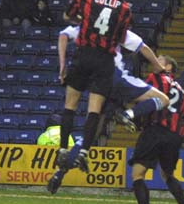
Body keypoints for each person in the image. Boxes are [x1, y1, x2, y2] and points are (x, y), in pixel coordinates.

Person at [48, 25, 166, 194]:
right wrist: (157, 66)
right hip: (114, 78)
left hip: (97, 82)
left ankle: (60, 173)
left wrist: (62, 65)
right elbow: (143, 47)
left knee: (89, 137)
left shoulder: (86, 27)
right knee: (162, 99)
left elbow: (63, 34)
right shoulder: (117, 29)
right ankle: (126, 114)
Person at [58, 0, 133, 172]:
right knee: (94, 110)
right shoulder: (125, 9)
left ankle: (63, 150)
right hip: (104, 60)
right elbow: (120, 38)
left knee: (70, 105)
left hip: (84, 55)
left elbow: (67, 15)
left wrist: (83, 23)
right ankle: (84, 153)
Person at [129, 55, 184, 204]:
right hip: (172, 136)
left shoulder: (155, 79)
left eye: (159, 60)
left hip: (154, 131)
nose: (155, 62)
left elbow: (143, 100)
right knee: (168, 175)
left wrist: (136, 120)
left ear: (168, 68)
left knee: (138, 174)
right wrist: (179, 137)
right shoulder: (182, 92)